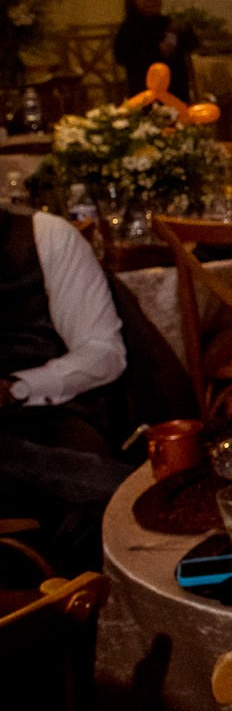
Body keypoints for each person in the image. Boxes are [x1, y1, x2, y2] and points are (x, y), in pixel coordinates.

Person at [0, 207, 129, 572]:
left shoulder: (44, 236)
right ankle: (125, 488)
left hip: (45, 412)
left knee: (86, 517)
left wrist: (17, 387)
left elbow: (103, 352)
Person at [113, 0, 195, 100]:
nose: (153, 1)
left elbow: (191, 46)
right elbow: (122, 56)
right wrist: (157, 51)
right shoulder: (129, 28)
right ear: (133, 0)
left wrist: (185, 30)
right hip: (144, 90)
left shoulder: (167, 23)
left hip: (176, 89)